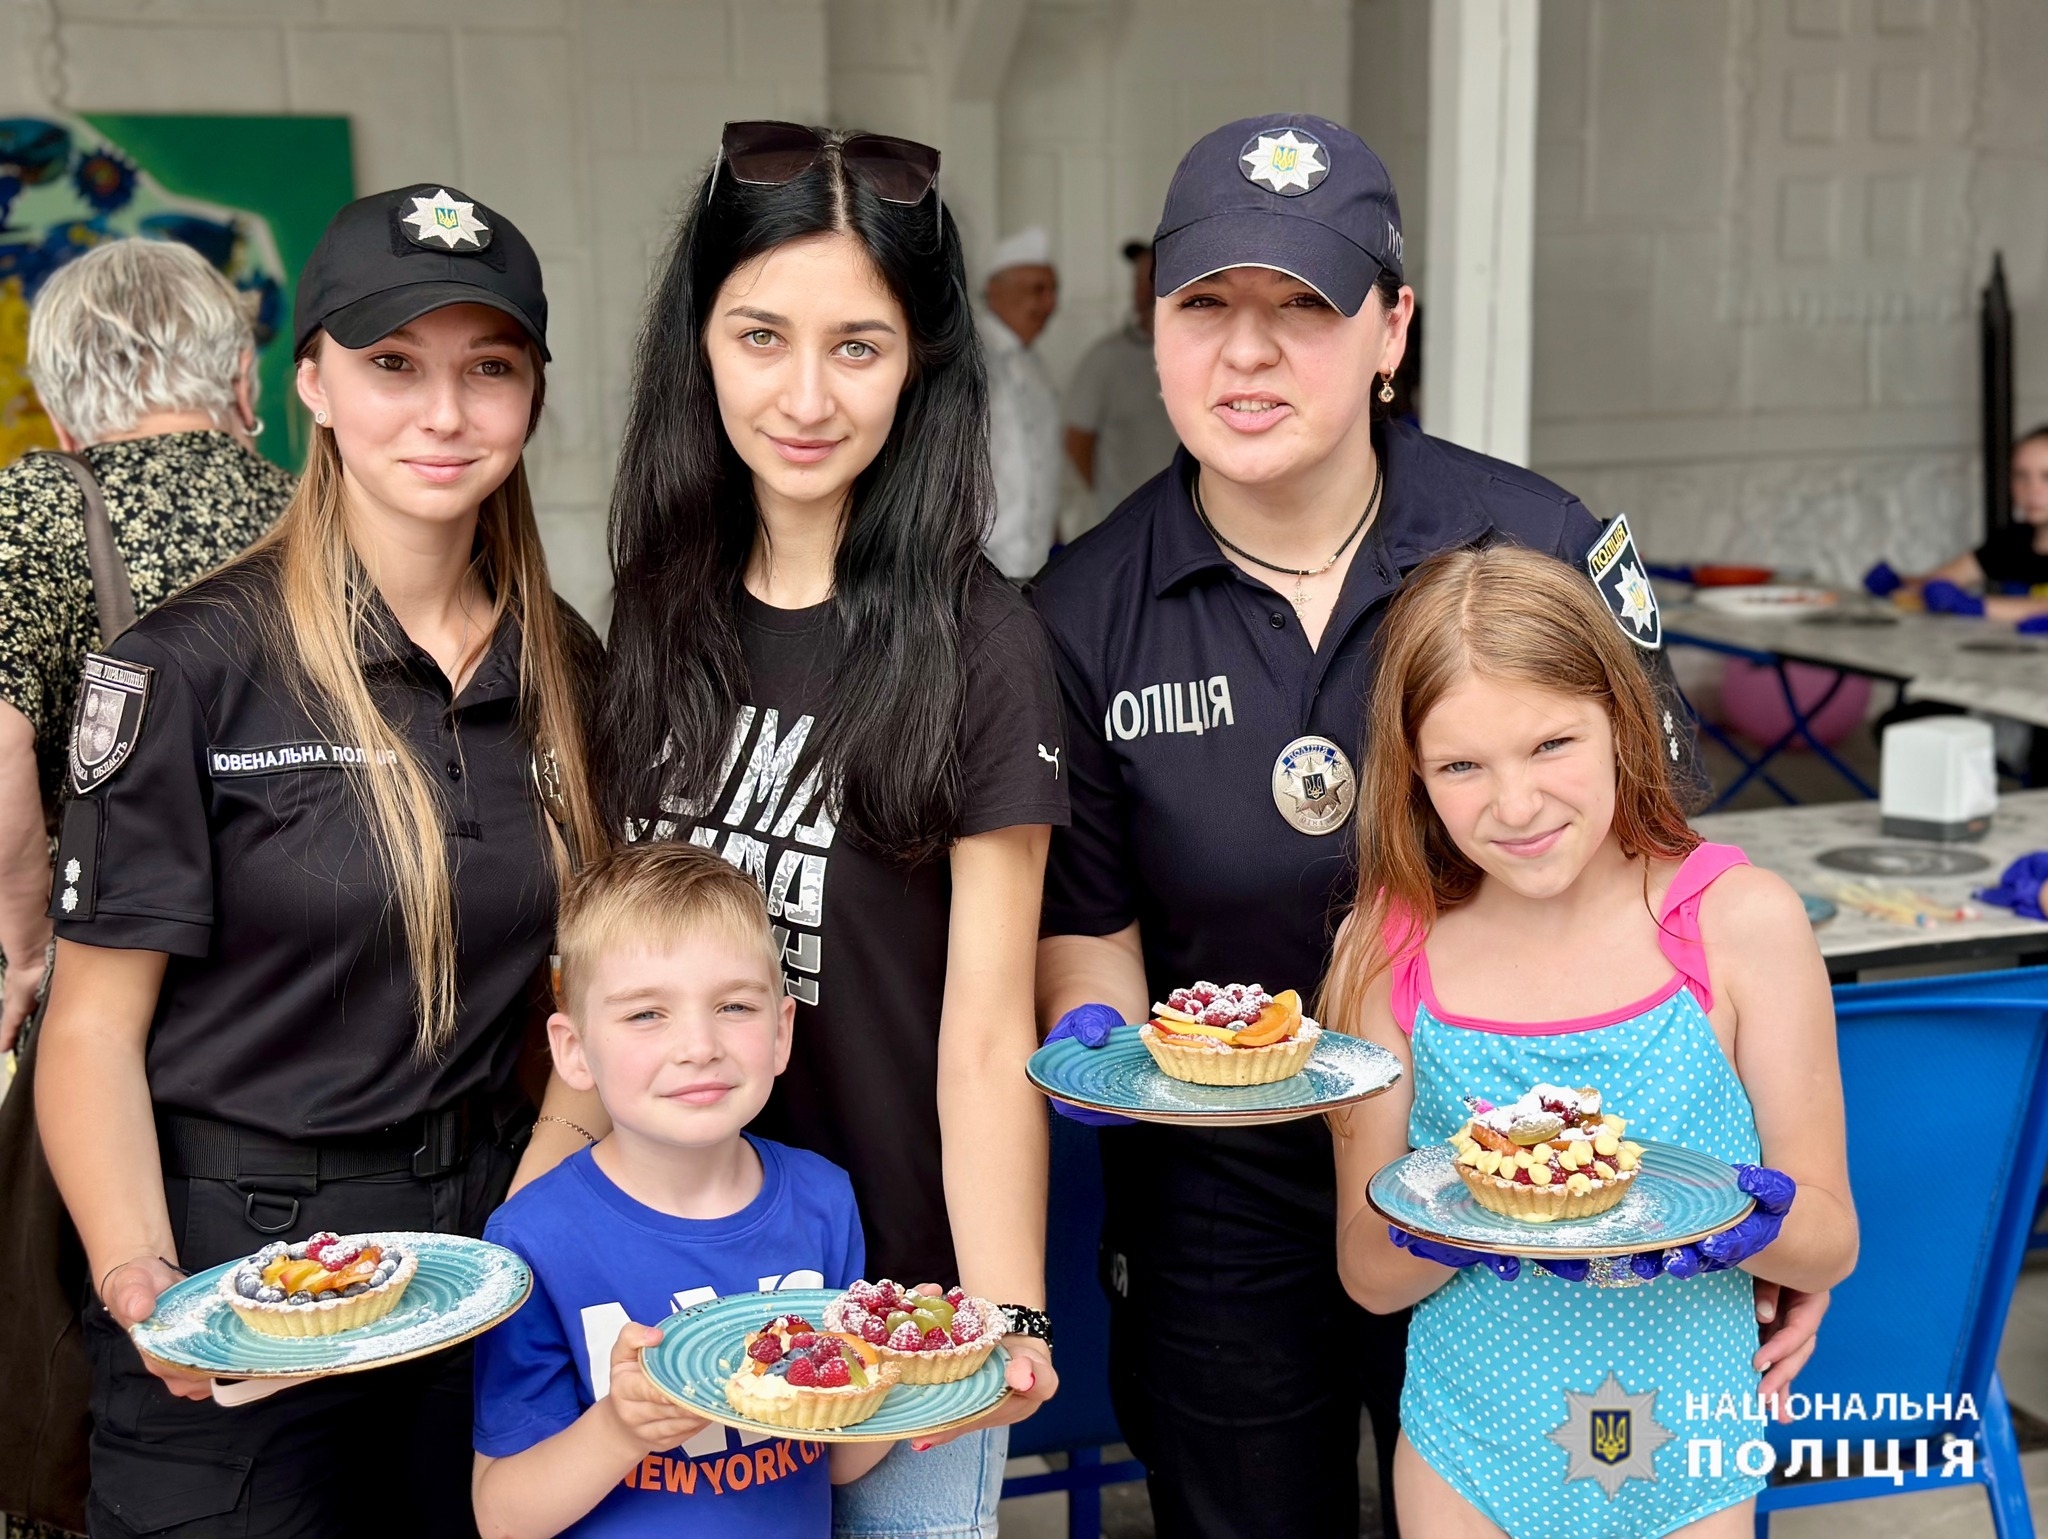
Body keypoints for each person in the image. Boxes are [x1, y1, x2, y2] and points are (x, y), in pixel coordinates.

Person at [1030, 114, 1822, 1539]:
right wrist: (1121, 1058)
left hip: (1524, 1183)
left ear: (1392, 327)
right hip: (1229, 1204)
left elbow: (1659, 873)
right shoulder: (1079, 612)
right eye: (1204, 305)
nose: (1247, 351)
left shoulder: (1540, 545)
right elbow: (1093, 940)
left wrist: (1724, 1205)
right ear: (1153, 328)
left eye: (1305, 308)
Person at [33, 183, 606, 1537]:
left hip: (482, 1247)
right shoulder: (185, 664)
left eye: (490, 369)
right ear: (309, 384)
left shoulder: (571, 668)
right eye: (393, 363)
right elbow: (92, 1025)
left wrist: (531, 1207)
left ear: (532, 394)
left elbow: (587, 994)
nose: (444, 412)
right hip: (238, 1269)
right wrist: (140, 1278)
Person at [594, 122, 1067, 1538]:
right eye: (762, 335)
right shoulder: (654, 604)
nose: (806, 395)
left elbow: (988, 1030)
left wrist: (1005, 1310)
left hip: (894, 1318)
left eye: (858, 344)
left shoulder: (981, 644)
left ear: (921, 358)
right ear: (702, 342)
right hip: (672, 1290)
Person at [1323, 544, 1858, 1537]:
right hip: (1466, 1458)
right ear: (1410, 773)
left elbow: (1828, 1238)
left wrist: (1728, 1217)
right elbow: (1366, 1271)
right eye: (1459, 766)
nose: (1515, 805)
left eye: (1550, 746)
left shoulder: (1738, 924)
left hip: (1692, 1458)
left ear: (1620, 718)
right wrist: (1477, 1201)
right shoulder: (1384, 949)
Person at [472, 842, 890, 1537]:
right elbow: (503, 1516)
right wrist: (619, 1427)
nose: (699, 1044)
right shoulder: (532, 1239)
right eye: (646, 1014)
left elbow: (841, 1462)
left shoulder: (825, 1200)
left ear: (782, 1030)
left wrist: (909, 1366)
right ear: (573, 1049)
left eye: (733, 1005)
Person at [0, 237, 291, 1052]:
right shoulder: (317, 509)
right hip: (309, 977)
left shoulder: (36, 505)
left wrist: (28, 954)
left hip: (119, 984)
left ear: (57, 407)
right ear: (240, 377)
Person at [1063, 240, 1179, 533]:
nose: (1143, 292)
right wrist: (1105, 508)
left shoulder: (1200, 358)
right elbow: (1077, 442)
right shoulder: (1105, 359)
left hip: (1187, 525)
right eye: (1136, 281)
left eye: (1151, 278)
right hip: (1124, 528)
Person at [1888, 426, 2048, 622]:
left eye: (2046, 477)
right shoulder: (2010, 542)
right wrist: (1898, 583)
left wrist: (1974, 605)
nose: (2032, 489)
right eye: (2021, 476)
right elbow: (1941, 581)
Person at [979, 226, 1063, 578]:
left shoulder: (1036, 366)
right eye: (1036, 290)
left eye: (1053, 290)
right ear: (996, 290)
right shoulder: (967, 359)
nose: (1049, 304)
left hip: (1033, 569)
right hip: (977, 575)